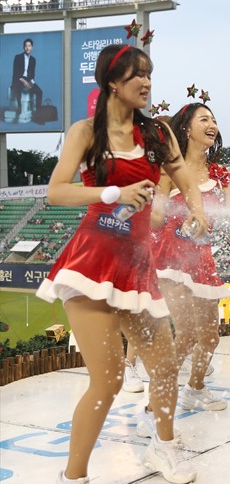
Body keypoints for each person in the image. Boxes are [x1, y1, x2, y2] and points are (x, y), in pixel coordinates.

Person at [35, 44, 205, 484]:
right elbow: (56, 191)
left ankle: (163, 448)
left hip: (137, 267)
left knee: (164, 368)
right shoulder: (84, 132)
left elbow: (185, 178)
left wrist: (198, 210)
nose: (146, 82)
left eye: (149, 74)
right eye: (137, 75)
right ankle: (74, 476)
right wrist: (112, 193)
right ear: (113, 81)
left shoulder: (157, 133)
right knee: (108, 382)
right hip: (91, 264)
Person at [140, 102, 230, 422]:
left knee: (210, 337)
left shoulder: (220, 174)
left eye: (214, 119)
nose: (212, 124)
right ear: (186, 129)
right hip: (171, 260)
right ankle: (153, 406)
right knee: (187, 334)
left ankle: (195, 388)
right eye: (204, 119)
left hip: (202, 259)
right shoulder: (169, 171)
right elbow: (156, 217)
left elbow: (229, 213)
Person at [11, 38, 43, 116]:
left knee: (39, 92)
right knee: (17, 87)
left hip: (28, 80)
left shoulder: (33, 60)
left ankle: (39, 113)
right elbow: (15, 73)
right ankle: (19, 107)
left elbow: (32, 75)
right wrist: (24, 81)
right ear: (23, 47)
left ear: (32, 47)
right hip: (18, 79)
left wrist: (31, 84)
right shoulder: (18, 57)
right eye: (26, 46)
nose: (27, 48)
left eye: (29, 46)